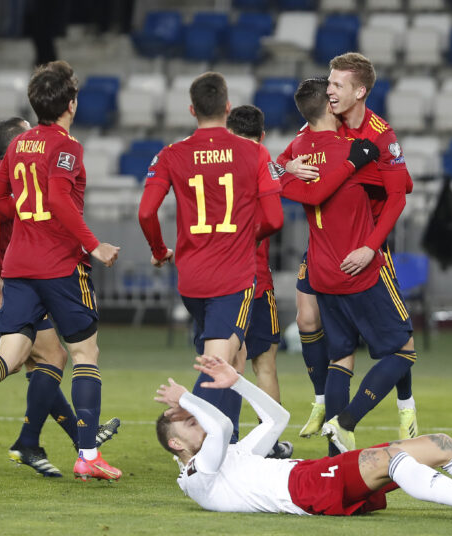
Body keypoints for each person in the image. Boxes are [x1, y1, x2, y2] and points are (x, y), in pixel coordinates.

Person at [0, 60, 123, 481]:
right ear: (71, 104)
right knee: (85, 354)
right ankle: (87, 455)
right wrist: (95, 244)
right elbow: (56, 197)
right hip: (59, 264)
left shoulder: (17, 147)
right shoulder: (67, 147)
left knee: (12, 353)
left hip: (19, 266)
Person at [155, 355, 452, 521]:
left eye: (192, 416)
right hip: (304, 488)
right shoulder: (200, 475)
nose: (197, 422)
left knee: (439, 443)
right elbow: (223, 427)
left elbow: (277, 419)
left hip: (310, 475)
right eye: (187, 424)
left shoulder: (227, 457)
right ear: (177, 445)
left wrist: (237, 383)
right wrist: (189, 398)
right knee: (392, 460)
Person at [278, 53, 417, 445]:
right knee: (393, 344)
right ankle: (335, 414)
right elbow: (282, 163)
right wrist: (289, 169)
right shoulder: (326, 130)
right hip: (338, 253)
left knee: (356, 347)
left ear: (360, 92)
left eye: (337, 84)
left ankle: (404, 408)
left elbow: (401, 191)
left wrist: (372, 246)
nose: (330, 90)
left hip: (362, 246)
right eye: (330, 85)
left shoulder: (380, 134)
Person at [138, 72, 284, 442]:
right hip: (231, 278)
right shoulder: (254, 152)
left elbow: (145, 212)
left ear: (192, 109)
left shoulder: (172, 154)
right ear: (227, 107)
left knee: (235, 357)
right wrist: (244, 237)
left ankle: (229, 441)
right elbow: (275, 218)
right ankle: (185, 441)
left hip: (191, 279)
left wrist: (159, 251)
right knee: (219, 364)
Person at [225, 104, 291, 459]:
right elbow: (275, 202)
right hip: (258, 280)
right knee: (263, 364)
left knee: (222, 362)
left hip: (220, 281)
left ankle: (225, 440)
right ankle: (269, 445)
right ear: (262, 136)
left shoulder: (216, 164)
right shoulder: (264, 164)